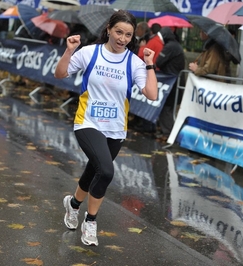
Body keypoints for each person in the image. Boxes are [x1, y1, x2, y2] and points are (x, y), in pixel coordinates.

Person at [54, 9, 158, 246]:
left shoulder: (134, 62)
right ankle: (90, 222)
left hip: (115, 128)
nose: (122, 39)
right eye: (119, 32)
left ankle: (73, 204)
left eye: (128, 35)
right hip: (87, 122)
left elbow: (151, 94)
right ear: (109, 29)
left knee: (94, 170)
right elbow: (60, 74)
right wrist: (70, 51)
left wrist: (149, 64)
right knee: (107, 171)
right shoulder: (90, 53)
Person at [155, 27, 185, 141]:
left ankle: (169, 134)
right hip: (175, 82)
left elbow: (159, 62)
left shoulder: (170, 47)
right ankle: (168, 133)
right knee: (168, 109)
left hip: (171, 83)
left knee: (166, 109)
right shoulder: (176, 45)